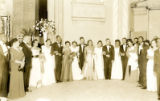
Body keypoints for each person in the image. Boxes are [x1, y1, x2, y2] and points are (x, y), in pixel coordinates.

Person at [0, 34, 9, 101]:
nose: (6, 38)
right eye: (5, 37)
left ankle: (3, 95)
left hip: (5, 65)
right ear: (1, 37)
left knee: (4, 81)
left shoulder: (5, 45)